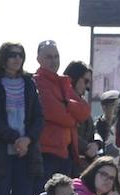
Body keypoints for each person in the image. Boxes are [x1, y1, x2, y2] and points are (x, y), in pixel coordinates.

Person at [0, 41, 43, 195]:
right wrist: (14, 138)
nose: (17, 58)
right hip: (2, 153)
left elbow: (38, 117)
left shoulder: (29, 82)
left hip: (25, 154)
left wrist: (27, 140)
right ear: (3, 58)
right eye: (12, 54)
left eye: (20, 54)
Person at [33, 40, 88, 179]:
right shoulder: (38, 82)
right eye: (49, 57)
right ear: (39, 59)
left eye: (56, 56)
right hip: (47, 152)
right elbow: (54, 113)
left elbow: (84, 112)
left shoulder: (63, 82)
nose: (54, 61)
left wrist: (67, 104)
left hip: (66, 152)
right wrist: (73, 118)